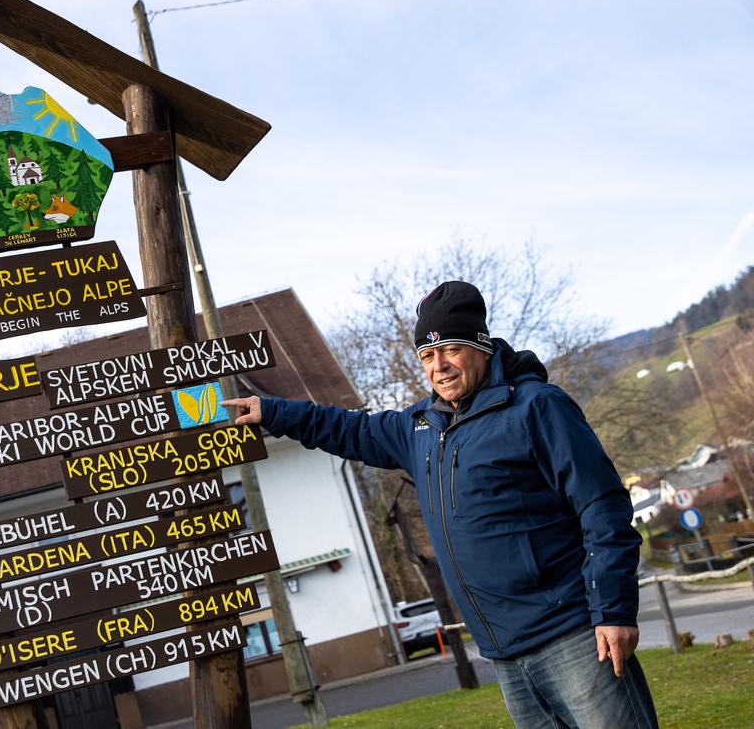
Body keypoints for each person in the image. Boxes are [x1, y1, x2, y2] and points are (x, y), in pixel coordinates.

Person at [222, 281, 658, 728]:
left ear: (482, 347)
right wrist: (273, 412)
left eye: (450, 349)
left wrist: (613, 611)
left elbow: (603, 508)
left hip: (574, 636)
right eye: (427, 356)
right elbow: (349, 429)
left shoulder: (536, 408)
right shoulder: (422, 429)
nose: (440, 366)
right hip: (506, 655)